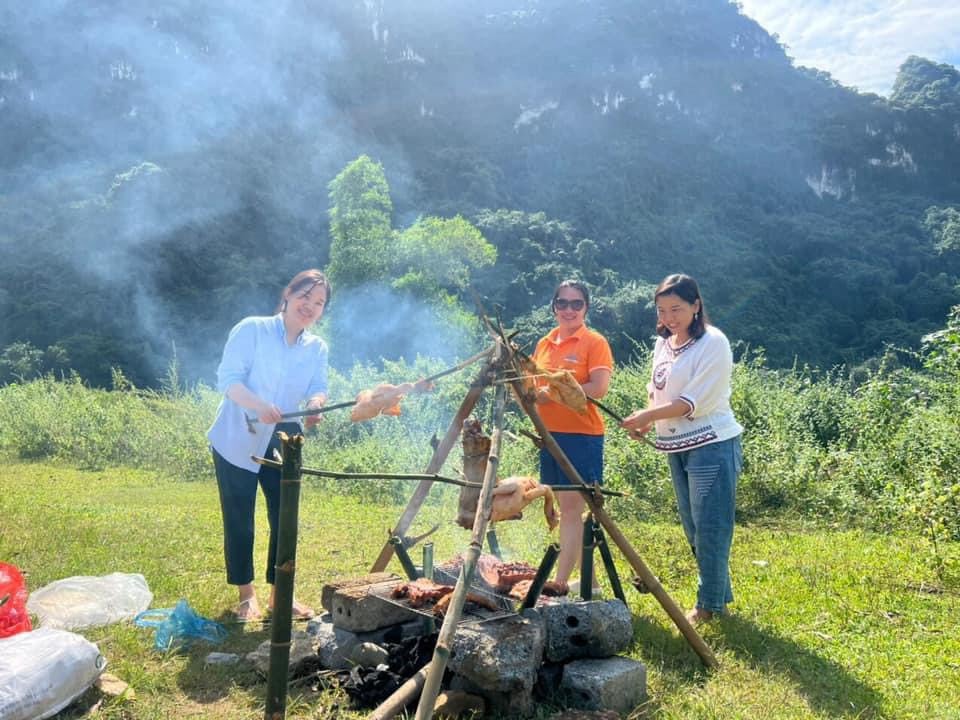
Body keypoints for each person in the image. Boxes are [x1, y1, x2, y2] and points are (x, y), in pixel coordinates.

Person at [207, 269, 331, 622]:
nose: (310, 306)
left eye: (319, 302)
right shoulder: (253, 329)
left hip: (284, 436)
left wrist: (316, 403)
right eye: (305, 296)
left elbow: (318, 386)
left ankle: (280, 594)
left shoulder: (317, 347)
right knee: (240, 518)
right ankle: (247, 597)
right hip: (237, 433)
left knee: (284, 518)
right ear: (288, 295)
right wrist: (259, 405)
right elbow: (228, 381)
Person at [620, 273, 743, 624]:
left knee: (710, 527)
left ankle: (708, 605)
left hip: (712, 443)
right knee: (693, 526)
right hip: (676, 445)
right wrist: (645, 420)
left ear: (696, 306)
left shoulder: (714, 343)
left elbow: (692, 401)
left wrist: (648, 415)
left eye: (676, 309)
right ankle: (719, 593)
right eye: (662, 310)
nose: (669, 317)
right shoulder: (665, 342)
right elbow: (656, 387)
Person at [531, 280, 613, 594]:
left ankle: (561, 582)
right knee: (567, 510)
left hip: (582, 436)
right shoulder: (545, 343)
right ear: (554, 307)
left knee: (570, 510)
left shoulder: (594, 341)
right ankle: (590, 584)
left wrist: (551, 395)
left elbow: (597, 388)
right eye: (562, 303)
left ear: (586, 308)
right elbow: (532, 385)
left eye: (576, 303)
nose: (569, 309)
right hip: (551, 435)